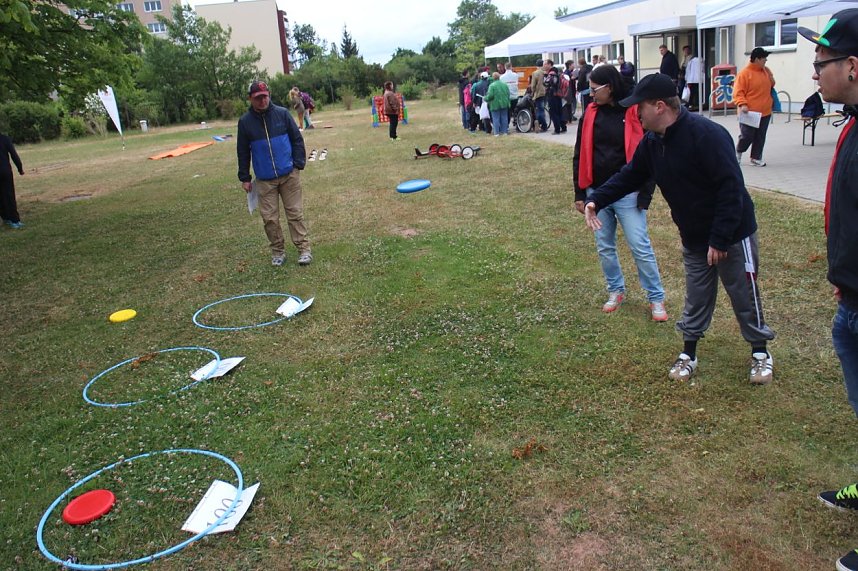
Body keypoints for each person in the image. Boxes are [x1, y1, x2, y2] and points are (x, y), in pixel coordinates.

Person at [583, 73, 775, 385]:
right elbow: (629, 175)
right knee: (696, 297)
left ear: (660, 106)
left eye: (640, 107)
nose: (636, 112)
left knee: (743, 294)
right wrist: (597, 199)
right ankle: (689, 353)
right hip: (694, 236)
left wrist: (720, 239)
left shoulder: (707, 135)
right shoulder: (652, 142)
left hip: (732, 234)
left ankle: (760, 352)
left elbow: (731, 190)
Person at [799, 12, 858, 571]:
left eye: (821, 63)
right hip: (851, 301)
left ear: (853, 66)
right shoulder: (852, 124)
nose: (814, 73)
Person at [573, 65, 667, 320]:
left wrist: (645, 194)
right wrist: (581, 194)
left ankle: (656, 297)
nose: (591, 94)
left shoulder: (635, 112)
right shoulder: (590, 113)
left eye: (595, 89)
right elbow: (579, 153)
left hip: (628, 194)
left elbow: (649, 156)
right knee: (605, 246)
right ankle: (616, 290)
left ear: (610, 87)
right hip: (597, 192)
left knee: (639, 246)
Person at [237, 80, 312, 267]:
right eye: (258, 98)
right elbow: (243, 151)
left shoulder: (282, 114)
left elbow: (296, 139)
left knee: (295, 213)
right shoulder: (245, 122)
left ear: (269, 95)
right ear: (250, 98)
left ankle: (304, 249)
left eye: (265, 97)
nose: (262, 101)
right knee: (269, 218)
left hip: (289, 175)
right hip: (264, 179)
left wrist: (298, 164)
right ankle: (278, 251)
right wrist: (245, 177)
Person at [734, 47, 776, 167]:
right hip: (749, 112)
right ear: (757, 59)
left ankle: (756, 157)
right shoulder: (744, 74)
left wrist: (771, 77)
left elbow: (772, 85)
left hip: (765, 111)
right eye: (764, 58)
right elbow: (738, 92)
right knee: (747, 135)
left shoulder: (765, 71)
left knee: (760, 136)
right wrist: (743, 104)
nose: (766, 60)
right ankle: (738, 152)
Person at [0, 131, 24, 229]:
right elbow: (14, 155)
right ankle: (15, 220)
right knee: (9, 195)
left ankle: (5, 217)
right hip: (5, 171)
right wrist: (20, 168)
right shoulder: (4, 139)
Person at [484, 71, 510, 136]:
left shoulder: (492, 86)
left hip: (495, 104)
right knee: (504, 117)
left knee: (496, 118)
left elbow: (490, 96)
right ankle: (504, 132)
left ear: (493, 78)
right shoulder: (505, 84)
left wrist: (485, 98)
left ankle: (497, 133)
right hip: (504, 103)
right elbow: (508, 94)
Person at [543, 60, 565, 134]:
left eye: (545, 64)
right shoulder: (557, 71)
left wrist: (545, 76)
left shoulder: (551, 73)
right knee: (559, 111)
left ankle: (557, 129)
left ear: (549, 64)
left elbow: (546, 83)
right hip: (559, 94)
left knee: (553, 112)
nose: (544, 66)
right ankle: (563, 127)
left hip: (552, 94)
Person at [499, 62, 520, 128]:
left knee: (507, 112)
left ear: (505, 67)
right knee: (515, 111)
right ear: (511, 67)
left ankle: (506, 126)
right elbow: (517, 84)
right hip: (515, 96)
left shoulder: (501, 77)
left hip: (506, 97)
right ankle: (517, 123)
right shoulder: (516, 75)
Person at [530, 60, 548, 132]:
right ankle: (542, 124)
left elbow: (533, 85)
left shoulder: (535, 73)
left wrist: (532, 92)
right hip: (545, 93)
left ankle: (542, 125)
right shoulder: (545, 72)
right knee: (542, 109)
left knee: (539, 110)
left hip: (538, 93)